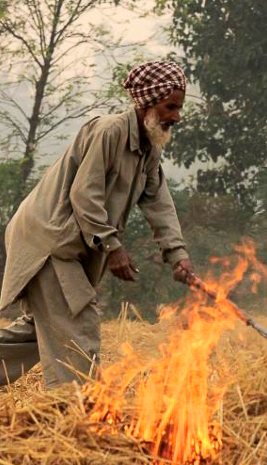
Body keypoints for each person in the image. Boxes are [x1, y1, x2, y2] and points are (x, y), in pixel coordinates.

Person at [0, 61, 195, 389]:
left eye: (179, 107)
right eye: (170, 106)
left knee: (43, 330)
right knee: (78, 320)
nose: (176, 116)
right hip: (49, 239)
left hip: (66, 244)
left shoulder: (150, 146)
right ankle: (75, 409)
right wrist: (112, 246)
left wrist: (178, 255)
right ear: (146, 103)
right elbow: (84, 194)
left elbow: (158, 202)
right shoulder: (109, 131)